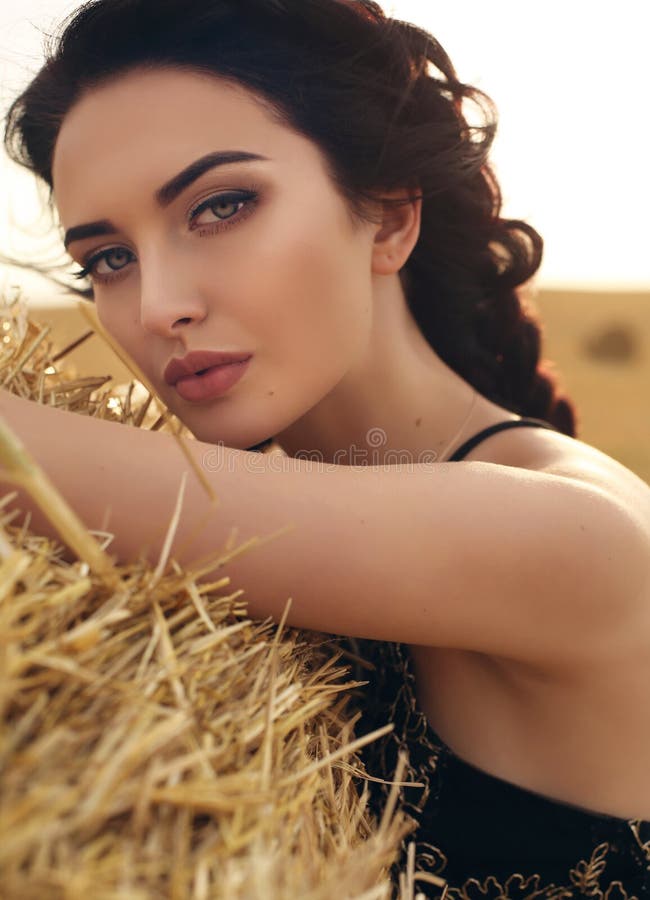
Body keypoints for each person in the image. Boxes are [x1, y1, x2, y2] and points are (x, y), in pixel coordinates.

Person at [2, 0, 649, 895]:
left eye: (220, 206)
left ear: (387, 217)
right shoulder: (301, 500)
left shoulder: (575, 535)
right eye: (108, 258)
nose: (156, 307)